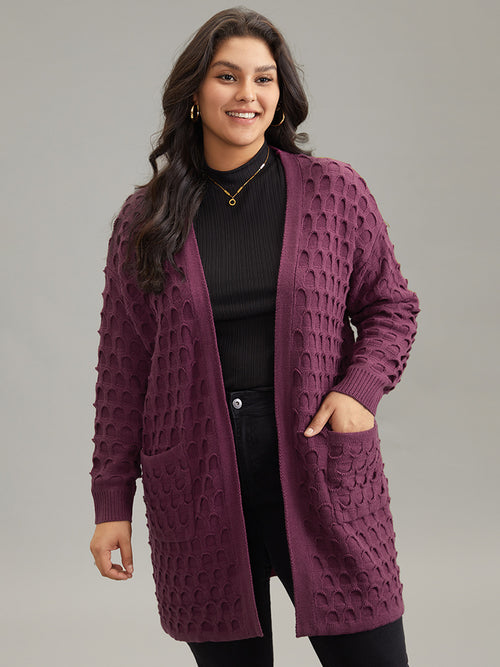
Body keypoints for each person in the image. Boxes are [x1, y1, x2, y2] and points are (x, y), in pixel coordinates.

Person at [89, 7, 419, 666]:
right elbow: (123, 372)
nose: (247, 94)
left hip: (319, 462)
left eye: (263, 78)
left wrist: (358, 390)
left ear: (280, 93)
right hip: (198, 478)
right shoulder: (146, 219)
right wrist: (110, 503)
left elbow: (391, 306)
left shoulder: (333, 192)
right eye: (227, 76)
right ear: (194, 92)